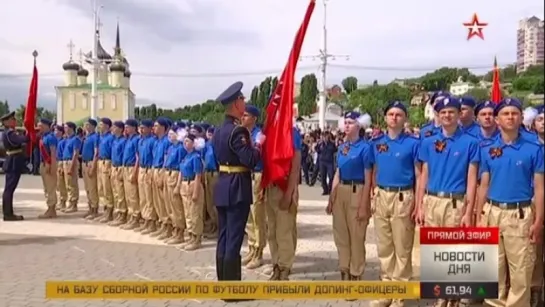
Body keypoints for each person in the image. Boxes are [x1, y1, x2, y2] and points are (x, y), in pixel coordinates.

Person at [477, 98, 544, 307]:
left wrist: (539, 221)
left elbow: (540, 187)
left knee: (520, 271)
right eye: (505, 114)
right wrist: (479, 215)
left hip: (520, 214)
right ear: (497, 119)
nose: (510, 117)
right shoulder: (487, 148)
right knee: (494, 268)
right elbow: (484, 185)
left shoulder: (534, 148)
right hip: (493, 212)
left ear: (521, 117)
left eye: (514, 113)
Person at [415, 96, 480, 307]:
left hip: (456, 203)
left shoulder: (470, 142)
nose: (447, 115)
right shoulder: (428, 141)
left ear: (459, 113)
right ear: (438, 115)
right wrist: (419, 205)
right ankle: (441, 294)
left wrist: (469, 211)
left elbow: (472, 179)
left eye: (451, 111)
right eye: (442, 112)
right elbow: (424, 174)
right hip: (433, 200)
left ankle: (454, 296)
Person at [368, 102, 420, 307]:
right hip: (382, 196)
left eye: (399, 114)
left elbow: (418, 173)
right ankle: (386, 290)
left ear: (405, 118)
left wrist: (417, 202)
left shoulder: (413, 143)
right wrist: (373, 193)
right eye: (390, 114)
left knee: (402, 247)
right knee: (384, 247)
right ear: (386, 118)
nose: (394, 117)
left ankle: (400, 294)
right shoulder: (377, 142)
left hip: (402, 196)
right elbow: (373, 170)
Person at [212, 81, 262, 286]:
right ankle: (232, 290)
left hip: (223, 184)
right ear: (236, 104)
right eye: (242, 99)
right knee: (233, 238)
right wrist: (259, 145)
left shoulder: (218, 131)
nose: (244, 102)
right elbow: (249, 159)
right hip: (236, 188)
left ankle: (223, 283)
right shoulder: (237, 131)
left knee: (223, 237)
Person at [326, 111, 373, 282]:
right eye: (345, 122)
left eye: (351, 122)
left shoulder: (366, 148)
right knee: (341, 235)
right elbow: (338, 173)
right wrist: (331, 197)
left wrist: (364, 205)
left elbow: (369, 178)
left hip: (358, 190)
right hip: (342, 191)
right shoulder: (342, 148)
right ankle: (344, 269)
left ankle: (356, 273)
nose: (346, 125)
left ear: (359, 125)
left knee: (356, 236)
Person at [264, 121, 302, 281]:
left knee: (284, 230)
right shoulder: (270, 132)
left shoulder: (292, 133)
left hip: (285, 186)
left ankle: (285, 266)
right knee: (272, 230)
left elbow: (295, 165)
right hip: (270, 186)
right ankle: (276, 263)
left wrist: (289, 192)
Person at [241, 105, 267, 269]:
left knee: (257, 215)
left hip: (257, 175)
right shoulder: (244, 134)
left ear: (254, 118)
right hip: (245, 175)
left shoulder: (259, 135)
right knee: (248, 215)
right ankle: (251, 247)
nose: (242, 117)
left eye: (246, 115)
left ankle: (259, 251)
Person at [147, 118, 173, 237]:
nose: (154, 128)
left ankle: (168, 226)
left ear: (163, 127)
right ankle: (162, 223)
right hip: (154, 169)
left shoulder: (167, 141)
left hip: (161, 170)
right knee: (156, 200)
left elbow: (166, 159)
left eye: (156, 126)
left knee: (163, 200)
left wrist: (162, 174)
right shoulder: (156, 141)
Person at [179, 134, 205, 250]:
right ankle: (190, 236)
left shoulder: (196, 157)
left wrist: (196, 192)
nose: (185, 143)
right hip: (185, 184)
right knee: (188, 213)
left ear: (194, 143)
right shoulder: (186, 156)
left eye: (188, 141)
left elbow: (198, 175)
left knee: (195, 213)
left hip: (193, 184)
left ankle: (197, 238)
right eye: (184, 141)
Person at [1, 112, 28, 221]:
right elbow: (20, 140)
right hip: (13, 162)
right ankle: (8, 214)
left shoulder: (10, 132)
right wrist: (28, 135)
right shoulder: (10, 133)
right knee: (9, 189)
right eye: (12, 119)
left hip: (13, 161)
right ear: (6, 122)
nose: (14, 121)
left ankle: (8, 213)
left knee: (9, 189)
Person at [163, 128, 186, 244]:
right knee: (169, 204)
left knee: (176, 205)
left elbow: (181, 166)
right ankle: (174, 229)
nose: (170, 136)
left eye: (172, 134)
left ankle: (180, 231)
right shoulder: (171, 147)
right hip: (168, 173)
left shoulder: (181, 148)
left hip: (175, 174)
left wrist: (178, 184)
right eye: (169, 134)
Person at [135, 119, 158, 233]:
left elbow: (154, 157)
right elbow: (138, 157)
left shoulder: (152, 141)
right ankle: (145, 220)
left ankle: (152, 222)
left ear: (150, 128)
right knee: (143, 196)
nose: (141, 129)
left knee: (149, 197)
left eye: (144, 127)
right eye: (141, 127)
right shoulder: (140, 141)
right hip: (142, 169)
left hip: (149, 169)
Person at [121, 119, 141, 230]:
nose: (126, 129)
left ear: (133, 127)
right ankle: (131, 216)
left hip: (132, 167)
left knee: (133, 194)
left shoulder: (136, 139)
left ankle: (135, 217)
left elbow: (138, 157)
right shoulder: (128, 139)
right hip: (125, 167)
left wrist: (134, 172)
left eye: (128, 127)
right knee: (128, 194)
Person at [37, 118, 58, 219]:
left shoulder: (51, 137)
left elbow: (53, 153)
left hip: (49, 164)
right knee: (46, 188)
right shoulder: (43, 136)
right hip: (44, 164)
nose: (38, 127)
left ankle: (52, 209)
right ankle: (49, 207)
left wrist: (52, 166)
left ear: (45, 126)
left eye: (40, 126)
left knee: (50, 188)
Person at [95, 118, 115, 223]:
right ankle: (105, 210)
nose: (99, 126)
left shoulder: (110, 138)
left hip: (107, 162)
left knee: (107, 188)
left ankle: (110, 212)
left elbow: (112, 152)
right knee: (101, 188)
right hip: (100, 162)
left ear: (107, 126)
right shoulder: (100, 137)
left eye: (101, 124)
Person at [109, 121, 127, 226]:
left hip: (120, 167)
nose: (112, 129)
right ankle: (118, 212)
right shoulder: (114, 140)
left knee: (120, 192)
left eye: (115, 127)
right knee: (115, 191)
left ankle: (123, 214)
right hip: (113, 166)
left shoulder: (123, 141)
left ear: (120, 129)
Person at [81, 119, 100, 219]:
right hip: (84, 163)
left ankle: (94, 209)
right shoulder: (86, 137)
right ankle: (90, 208)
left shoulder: (95, 137)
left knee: (92, 187)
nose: (85, 126)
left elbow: (96, 152)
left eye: (87, 124)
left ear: (92, 126)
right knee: (87, 188)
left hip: (90, 163)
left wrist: (93, 166)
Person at [62, 122, 82, 213]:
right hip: (65, 161)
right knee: (67, 184)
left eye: (66, 127)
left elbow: (75, 153)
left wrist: (71, 166)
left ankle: (73, 204)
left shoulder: (75, 139)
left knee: (72, 183)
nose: (65, 129)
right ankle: (70, 203)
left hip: (71, 161)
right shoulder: (67, 139)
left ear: (71, 128)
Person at [203, 126, 219, 238]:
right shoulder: (207, 145)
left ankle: (219, 227)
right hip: (207, 173)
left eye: (211, 133)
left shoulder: (217, 146)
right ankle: (213, 225)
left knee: (215, 203)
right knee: (209, 203)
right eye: (208, 133)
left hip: (215, 174)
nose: (209, 135)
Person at [316, 131, 336, 195]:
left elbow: (335, 150)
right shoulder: (320, 144)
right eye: (324, 136)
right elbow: (317, 149)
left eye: (327, 136)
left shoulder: (332, 144)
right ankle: (325, 190)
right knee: (323, 177)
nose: (325, 137)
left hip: (329, 162)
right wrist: (319, 148)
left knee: (331, 176)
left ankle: (330, 189)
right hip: (322, 162)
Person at [54, 125, 67, 211]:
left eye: (57, 130)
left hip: (61, 162)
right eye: (55, 130)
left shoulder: (63, 141)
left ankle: (63, 202)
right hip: (55, 162)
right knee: (58, 184)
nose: (55, 132)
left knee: (62, 183)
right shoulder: (55, 141)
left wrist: (61, 165)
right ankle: (60, 201)